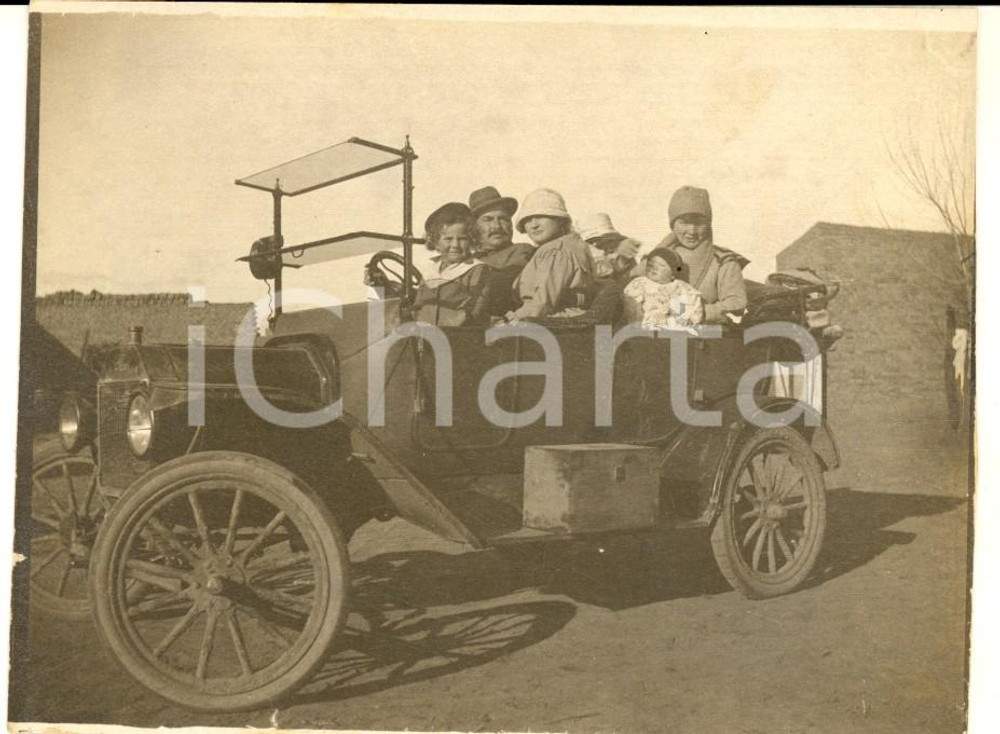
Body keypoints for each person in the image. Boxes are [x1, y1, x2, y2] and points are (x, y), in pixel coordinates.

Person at [655, 186, 748, 324]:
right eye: (684, 223)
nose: (692, 231)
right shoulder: (659, 257)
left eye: (699, 223)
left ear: (709, 224)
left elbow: (737, 303)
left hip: (706, 337)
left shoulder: (723, 261)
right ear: (673, 225)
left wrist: (701, 311)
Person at [506, 189, 595, 322]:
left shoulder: (556, 250)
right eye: (528, 219)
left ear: (560, 220)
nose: (534, 225)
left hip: (555, 323)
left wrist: (515, 318)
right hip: (565, 320)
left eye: (541, 216)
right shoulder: (573, 244)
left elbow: (543, 302)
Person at [412, 202, 493, 326]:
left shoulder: (477, 269)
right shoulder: (431, 271)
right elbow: (418, 306)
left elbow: (475, 309)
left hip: (459, 336)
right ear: (436, 242)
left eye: (462, 239)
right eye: (448, 239)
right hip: (424, 335)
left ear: (472, 240)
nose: (455, 245)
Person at [466, 186, 536, 316]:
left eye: (503, 219)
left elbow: (503, 285)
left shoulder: (522, 251)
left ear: (511, 225)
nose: (497, 226)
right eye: (487, 219)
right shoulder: (468, 260)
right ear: (474, 227)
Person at [623, 247, 704, 330]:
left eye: (661, 266)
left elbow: (694, 302)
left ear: (673, 274)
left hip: (676, 326)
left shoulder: (681, 287)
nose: (654, 268)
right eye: (650, 265)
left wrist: (692, 319)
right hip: (648, 326)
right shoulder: (641, 283)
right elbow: (630, 303)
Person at [576, 212, 640, 283]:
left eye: (612, 243)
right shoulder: (583, 266)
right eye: (601, 244)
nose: (609, 249)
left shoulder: (624, 257)